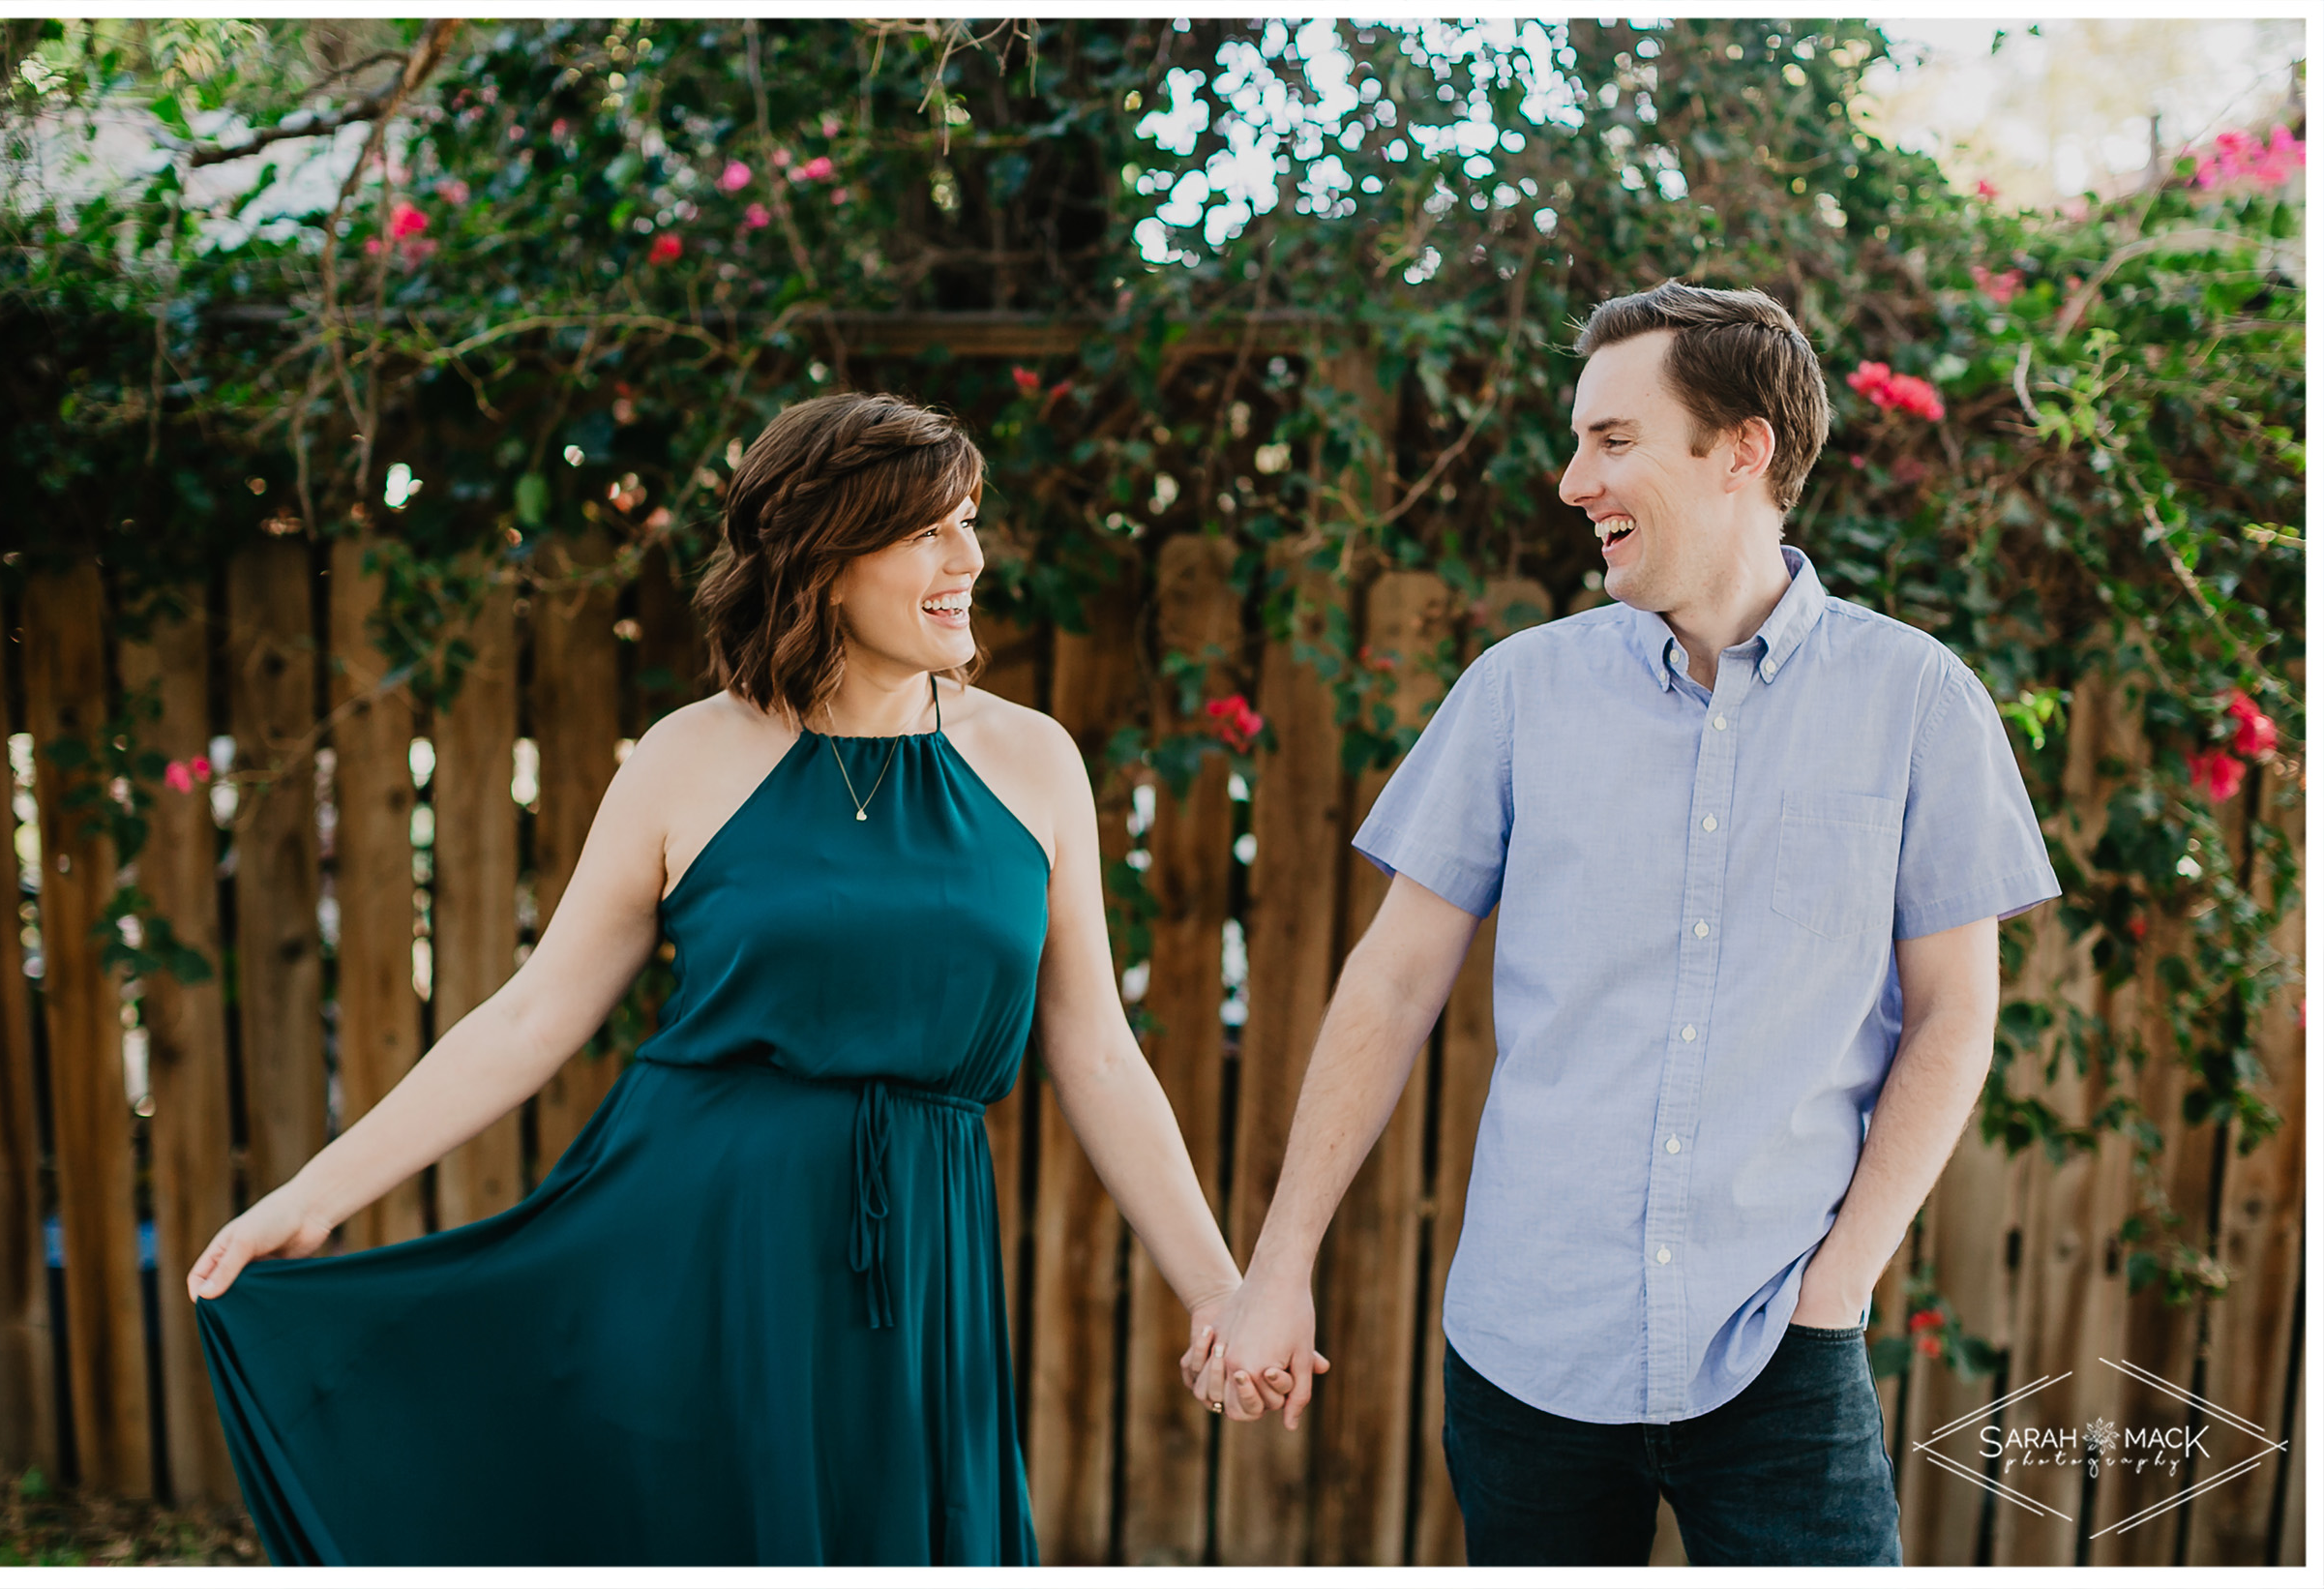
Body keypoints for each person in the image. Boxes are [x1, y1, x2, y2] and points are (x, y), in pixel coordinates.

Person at [188, 391, 1279, 1565]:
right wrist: (312, 1196)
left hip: (924, 1250)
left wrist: (1218, 1286)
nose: (970, 557)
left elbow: (1099, 1051)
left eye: (969, 520)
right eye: (927, 530)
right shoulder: (686, 757)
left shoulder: (1032, 760)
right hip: (697, 1237)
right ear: (822, 557)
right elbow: (533, 1014)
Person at [1184, 282, 2060, 1566]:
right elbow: (1391, 985)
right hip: (1529, 1349)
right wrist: (1279, 1265)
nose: (1570, 478)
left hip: (1782, 1347)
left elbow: (1955, 1014)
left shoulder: (1918, 700)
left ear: (1741, 449)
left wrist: (1835, 1290)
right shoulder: (1518, 695)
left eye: (1613, 439)